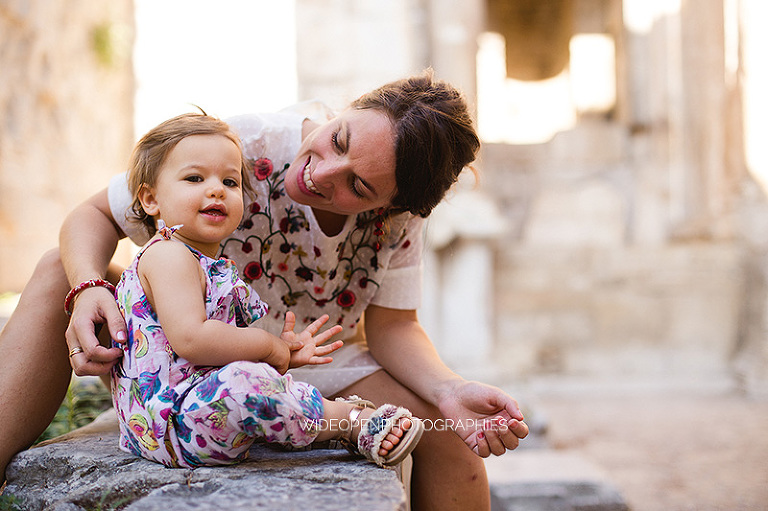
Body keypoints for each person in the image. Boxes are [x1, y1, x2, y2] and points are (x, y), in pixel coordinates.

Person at [0, 71, 529, 509]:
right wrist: (89, 285)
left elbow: (394, 327)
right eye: (338, 139)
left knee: (453, 443)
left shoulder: (401, 218)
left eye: (359, 187)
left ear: (388, 207)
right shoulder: (239, 149)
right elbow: (93, 213)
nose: (323, 172)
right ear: (344, 111)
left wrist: (448, 392)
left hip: (322, 360)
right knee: (56, 270)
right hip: (188, 358)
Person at [109, 112, 422, 468]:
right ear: (150, 200)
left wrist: (281, 353)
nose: (215, 189)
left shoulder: (200, 261)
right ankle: (350, 421)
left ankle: (302, 422)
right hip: (170, 420)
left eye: (229, 182)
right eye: (194, 178)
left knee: (255, 379)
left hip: (191, 413)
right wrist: (270, 347)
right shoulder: (168, 255)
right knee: (248, 380)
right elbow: (191, 339)